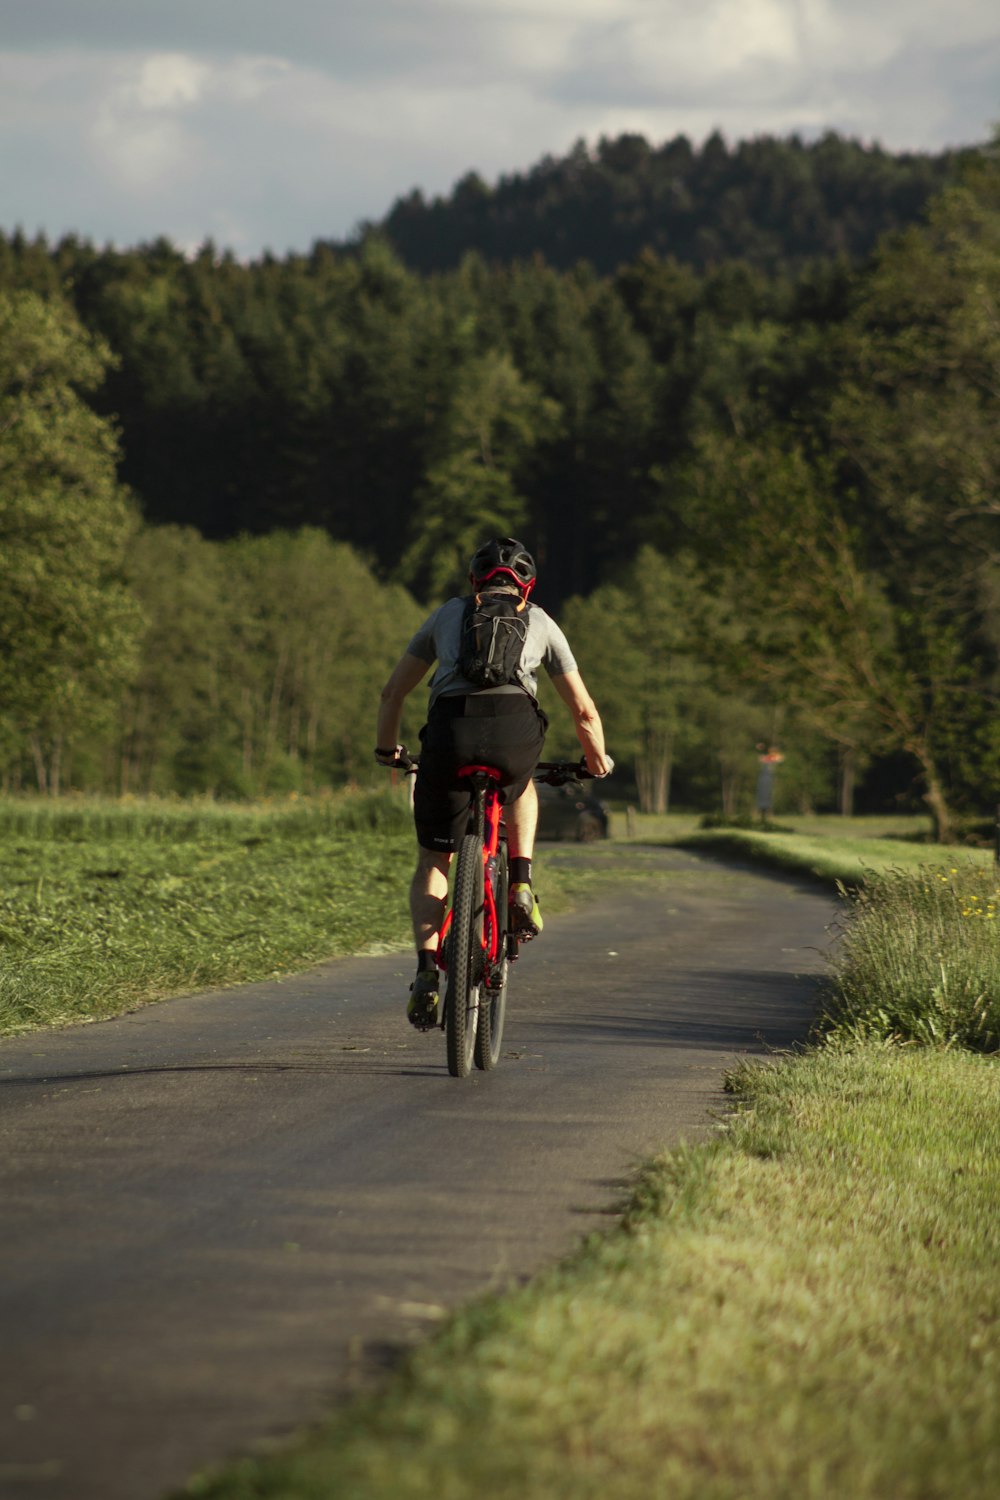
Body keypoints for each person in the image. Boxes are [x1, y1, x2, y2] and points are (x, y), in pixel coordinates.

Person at [375, 536, 612, 1028]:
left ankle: (425, 971)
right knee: (520, 784)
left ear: (473, 582)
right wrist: (594, 762)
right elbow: (584, 711)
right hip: (513, 729)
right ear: (527, 585)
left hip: (450, 729)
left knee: (435, 858)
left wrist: (386, 749)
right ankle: (521, 883)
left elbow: (393, 691)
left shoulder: (446, 616)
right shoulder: (542, 621)